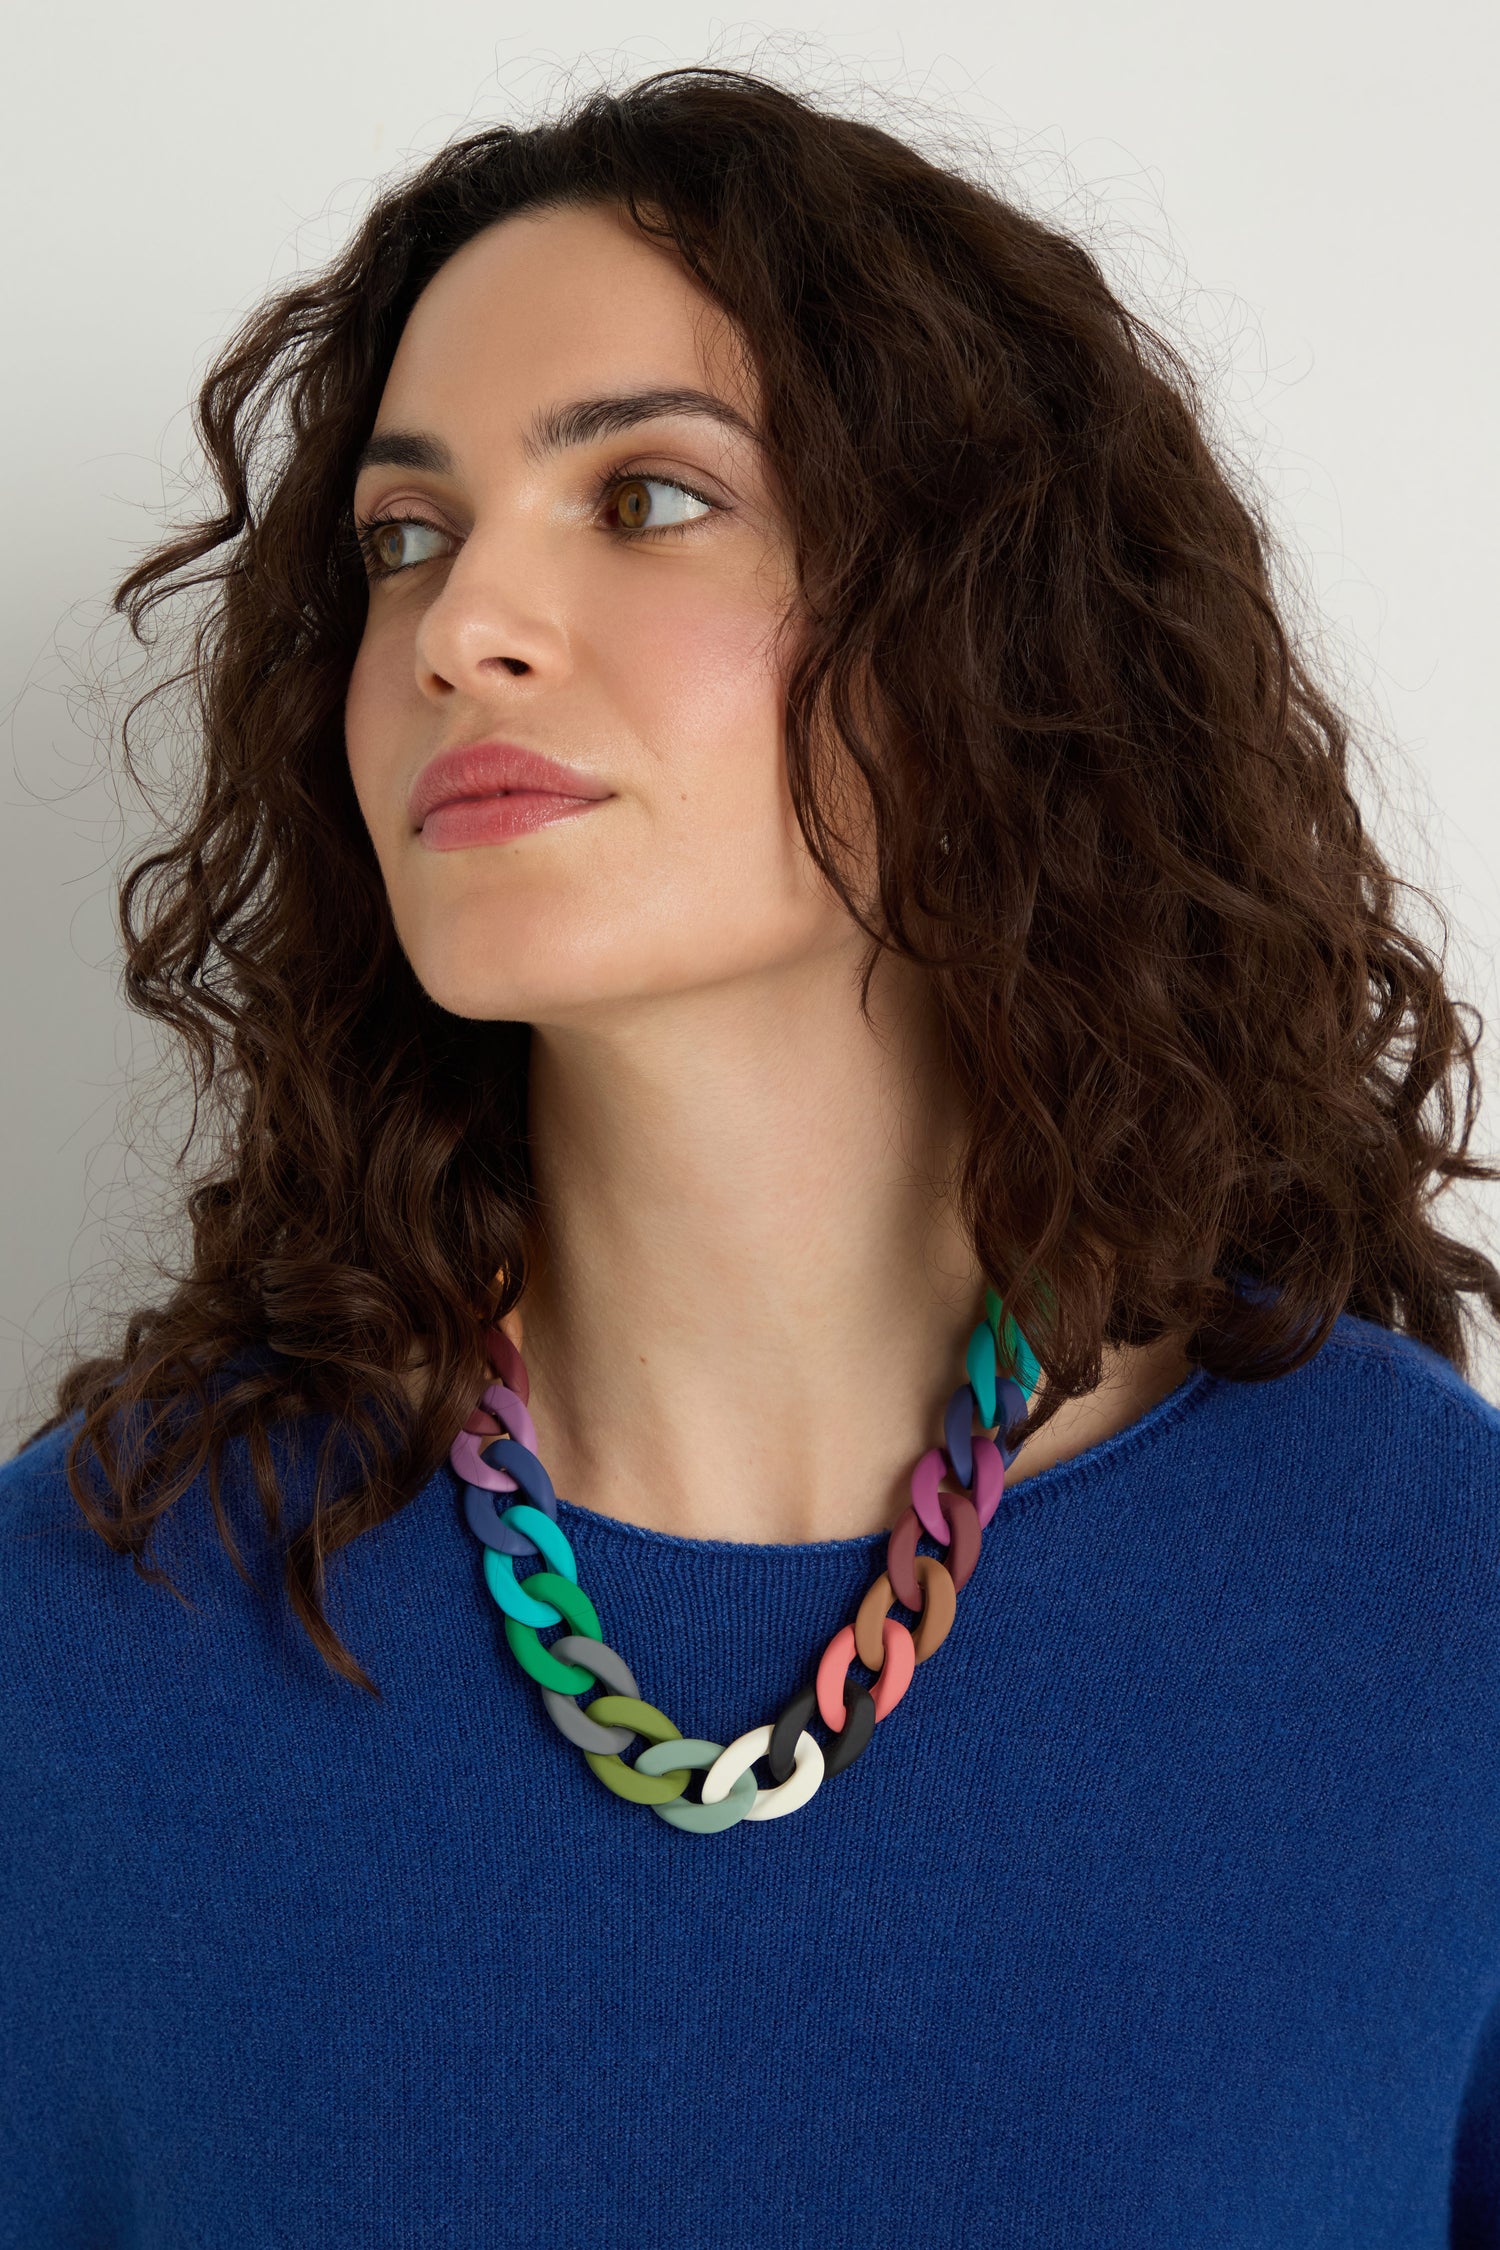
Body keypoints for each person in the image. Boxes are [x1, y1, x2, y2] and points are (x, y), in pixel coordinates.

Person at [3, 63, 1500, 2247]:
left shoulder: (1435, 1612)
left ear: (991, 627)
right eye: (405, 538)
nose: (457, 628)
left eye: (648, 498)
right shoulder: (77, 1644)